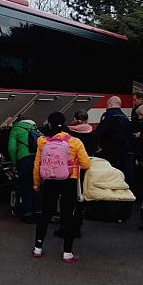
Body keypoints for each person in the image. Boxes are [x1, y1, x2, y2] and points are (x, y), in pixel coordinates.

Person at [32, 112, 90, 263]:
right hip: (69, 181)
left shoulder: (42, 141)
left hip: (50, 181)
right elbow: (86, 164)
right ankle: (67, 253)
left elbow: (37, 164)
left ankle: (38, 248)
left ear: (49, 124)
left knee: (45, 213)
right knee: (67, 216)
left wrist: (36, 183)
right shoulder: (75, 141)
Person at [8, 119, 42, 222]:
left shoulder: (16, 129)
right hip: (37, 158)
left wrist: (14, 163)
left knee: (25, 186)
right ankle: (39, 212)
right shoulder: (34, 127)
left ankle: (28, 214)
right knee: (37, 185)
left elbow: (12, 148)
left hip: (24, 160)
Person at [95, 96, 133, 182]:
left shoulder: (107, 115)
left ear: (110, 104)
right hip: (123, 151)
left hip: (109, 151)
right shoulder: (125, 117)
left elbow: (100, 132)